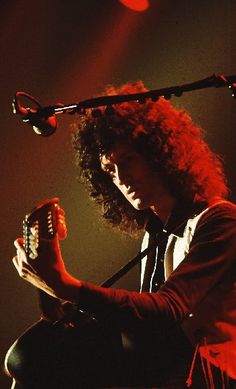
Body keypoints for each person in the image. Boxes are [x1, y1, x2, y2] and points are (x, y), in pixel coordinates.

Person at [4, 81, 236, 389]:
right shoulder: (153, 238)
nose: (122, 178)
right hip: (163, 373)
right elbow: (127, 322)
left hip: (207, 376)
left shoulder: (220, 220)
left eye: (128, 160)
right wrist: (46, 270)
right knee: (27, 358)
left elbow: (168, 309)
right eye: (109, 170)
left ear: (160, 154)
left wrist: (64, 284)